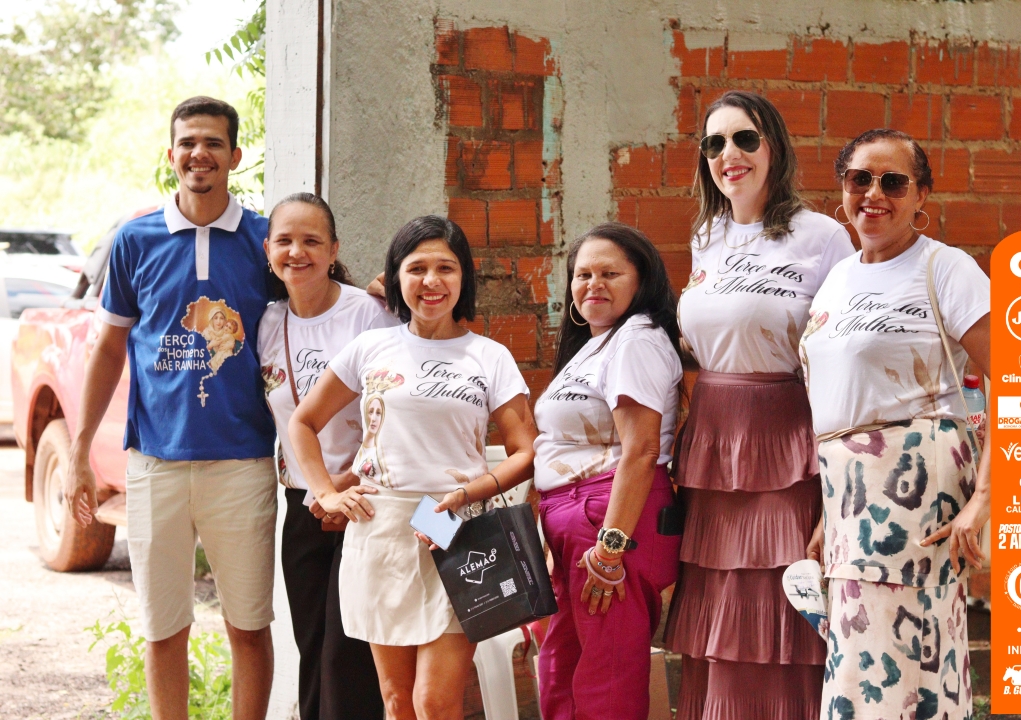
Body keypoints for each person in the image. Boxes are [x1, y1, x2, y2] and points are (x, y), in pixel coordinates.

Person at [65, 96, 277, 720]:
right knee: (163, 629)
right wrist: (79, 452)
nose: (199, 153)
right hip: (155, 462)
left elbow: (318, 302)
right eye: (188, 142)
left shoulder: (265, 239)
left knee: (248, 625)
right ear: (171, 154)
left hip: (242, 461)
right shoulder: (136, 240)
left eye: (213, 142)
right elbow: (109, 347)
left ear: (235, 155)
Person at [288, 215, 538, 720]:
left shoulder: (488, 356)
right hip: (380, 532)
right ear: (396, 276)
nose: (431, 281)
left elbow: (525, 451)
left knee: (434, 701)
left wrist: (471, 493)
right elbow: (302, 423)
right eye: (416, 268)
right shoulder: (371, 347)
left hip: (456, 531)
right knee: (398, 701)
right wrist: (327, 493)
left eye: (445, 268)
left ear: (463, 277)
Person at [663, 89, 855, 720]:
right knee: (719, 599)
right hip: (714, 440)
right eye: (714, 142)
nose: (730, 154)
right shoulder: (707, 234)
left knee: (788, 594)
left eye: (745, 138)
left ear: (774, 147)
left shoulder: (822, 235)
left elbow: (843, 349)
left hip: (786, 439)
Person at [801, 128, 990, 719]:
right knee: (857, 657)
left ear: (921, 194)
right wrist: (827, 511)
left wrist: (986, 498)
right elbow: (844, 399)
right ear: (842, 189)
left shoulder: (945, 268)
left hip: (916, 492)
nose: (874, 194)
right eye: (860, 178)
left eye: (893, 182)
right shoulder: (838, 279)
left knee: (910, 661)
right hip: (848, 499)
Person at [532, 222, 683, 720]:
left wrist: (611, 547)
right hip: (576, 520)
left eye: (609, 274)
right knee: (562, 668)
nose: (593, 284)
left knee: (606, 678)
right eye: (583, 274)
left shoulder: (637, 339)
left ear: (641, 281)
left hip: (611, 519)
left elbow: (640, 450)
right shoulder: (597, 344)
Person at [257, 193, 398, 720]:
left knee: (348, 653)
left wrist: (341, 485)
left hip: (363, 501)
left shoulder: (370, 314)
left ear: (334, 249)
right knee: (313, 646)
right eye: (285, 241)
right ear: (268, 250)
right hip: (304, 505)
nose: (297, 252)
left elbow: (397, 416)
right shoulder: (267, 321)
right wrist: (319, 491)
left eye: (312, 241)